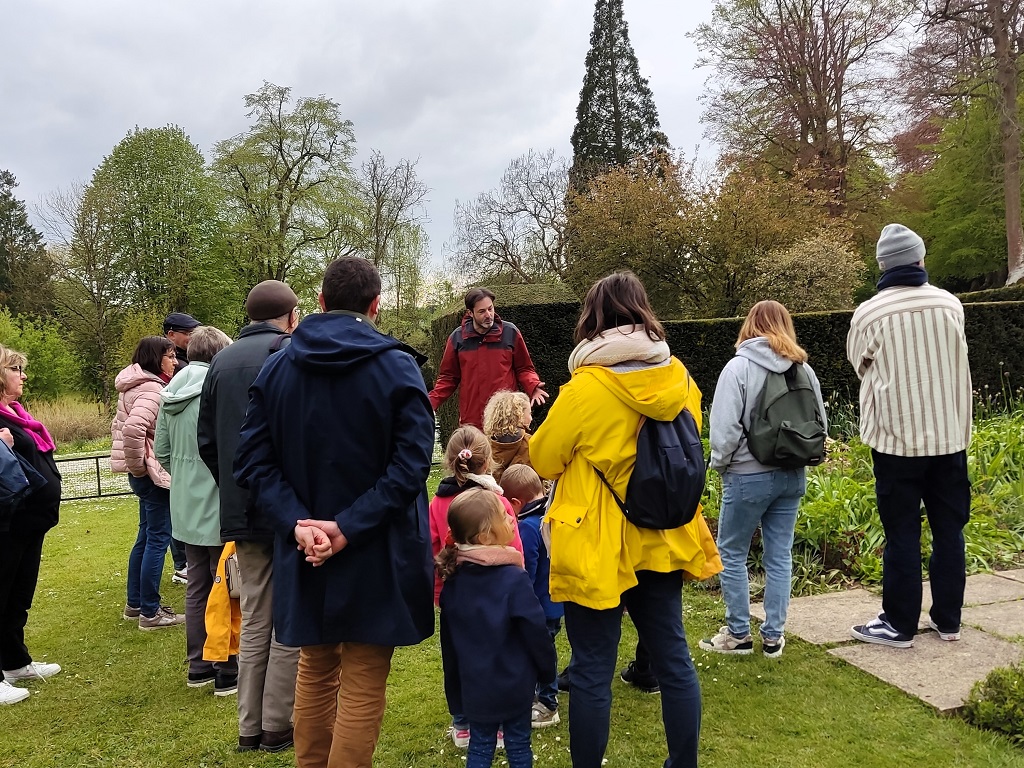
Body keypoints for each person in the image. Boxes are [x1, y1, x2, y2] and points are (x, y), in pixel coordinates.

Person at [233, 256, 436, 768]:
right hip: (367, 544)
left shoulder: (278, 366)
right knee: (358, 676)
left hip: (325, 543)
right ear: (375, 305)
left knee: (317, 666)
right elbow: (412, 467)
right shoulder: (394, 367)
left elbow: (252, 462)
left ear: (320, 303)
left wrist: (307, 526)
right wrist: (320, 527)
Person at [530, 270, 720, 768]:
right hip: (663, 534)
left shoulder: (584, 388)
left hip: (597, 543)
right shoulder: (679, 377)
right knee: (674, 659)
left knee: (592, 668)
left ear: (594, 319)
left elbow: (544, 458)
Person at [847, 224, 972, 648]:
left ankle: (899, 624)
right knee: (949, 530)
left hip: (896, 441)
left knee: (902, 533)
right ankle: (948, 620)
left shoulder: (870, 313)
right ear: (920, 260)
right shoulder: (950, 304)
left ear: (883, 267)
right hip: (950, 438)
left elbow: (859, 364)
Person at [196, 279, 300, 753]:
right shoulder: (289, 354)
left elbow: (207, 442)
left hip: (240, 507)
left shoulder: (220, 360)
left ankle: (248, 727)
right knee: (287, 617)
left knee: (256, 615)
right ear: (290, 316)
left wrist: (235, 490)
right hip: (286, 506)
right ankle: (277, 724)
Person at [699, 300, 826, 659]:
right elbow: (821, 425)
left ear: (749, 325)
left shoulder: (739, 367)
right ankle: (773, 636)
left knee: (733, 552)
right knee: (779, 554)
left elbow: (724, 429)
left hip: (747, 474)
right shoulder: (804, 370)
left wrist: (721, 465)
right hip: (792, 474)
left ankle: (738, 633)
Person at [437, 488, 556, 768]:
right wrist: (547, 671)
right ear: (485, 536)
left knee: (479, 746)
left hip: (474, 686)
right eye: (505, 516)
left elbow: (449, 648)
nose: (512, 518)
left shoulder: (453, 585)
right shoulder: (514, 579)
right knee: (517, 744)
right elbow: (536, 631)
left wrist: (455, 692)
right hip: (515, 683)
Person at [428, 425, 524, 748]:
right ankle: (494, 724)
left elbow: (433, 549)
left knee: (455, 658)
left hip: (456, 597)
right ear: (488, 463)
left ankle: (462, 723)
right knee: (495, 657)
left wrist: (439, 594)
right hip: (499, 597)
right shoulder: (497, 502)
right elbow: (515, 546)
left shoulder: (438, 504)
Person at [154, 326, 237, 695]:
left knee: (198, 583)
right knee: (229, 584)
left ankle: (198, 664)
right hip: (218, 497)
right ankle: (225, 664)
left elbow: (162, 452)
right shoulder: (219, 386)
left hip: (185, 501)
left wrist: (186, 478)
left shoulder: (169, 391)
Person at [0, 345, 61, 704]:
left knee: (17, 597)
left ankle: (15, 662)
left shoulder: (16, 414)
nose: (23, 376)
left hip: (29, 522)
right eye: (16, 369)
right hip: (6, 523)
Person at [113, 335, 184, 630]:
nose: (175, 361)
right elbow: (132, 429)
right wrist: (140, 467)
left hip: (144, 475)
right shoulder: (152, 390)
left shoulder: (135, 385)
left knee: (145, 536)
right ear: (156, 359)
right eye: (170, 356)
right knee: (158, 538)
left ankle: (136, 604)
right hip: (151, 476)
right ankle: (151, 612)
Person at [429, 287, 548, 429]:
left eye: (490, 309)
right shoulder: (457, 338)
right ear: (470, 313)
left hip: (507, 418)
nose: (489, 315)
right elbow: (448, 378)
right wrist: (430, 403)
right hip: (472, 421)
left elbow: (524, 368)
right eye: (482, 311)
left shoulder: (510, 332)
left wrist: (533, 386)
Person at [501, 464, 562, 728]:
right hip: (555, 602)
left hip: (537, 606)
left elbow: (526, 571)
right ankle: (540, 696)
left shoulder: (528, 526)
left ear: (516, 502)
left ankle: (548, 703)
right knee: (544, 650)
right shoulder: (552, 515)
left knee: (538, 653)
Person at [164, 311, 201, 583]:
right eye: (188, 332)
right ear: (172, 335)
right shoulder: (180, 370)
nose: (192, 336)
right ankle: (181, 562)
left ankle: (185, 562)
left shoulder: (186, 364)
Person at [482, 390, 533, 484]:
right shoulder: (531, 443)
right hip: (523, 496)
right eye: (529, 413)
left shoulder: (484, 445)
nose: (531, 418)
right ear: (519, 415)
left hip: (492, 496)